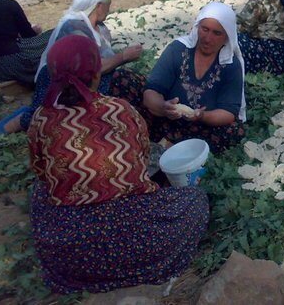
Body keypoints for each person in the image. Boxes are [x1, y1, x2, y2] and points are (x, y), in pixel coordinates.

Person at [28, 35, 209, 294]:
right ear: (95, 72)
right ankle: (144, 271)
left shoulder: (41, 119)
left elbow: (41, 172)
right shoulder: (120, 111)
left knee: (37, 194)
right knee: (194, 201)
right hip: (135, 238)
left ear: (52, 73)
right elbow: (141, 167)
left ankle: (84, 277)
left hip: (73, 249)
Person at [20, 0, 146, 131]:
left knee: (132, 81)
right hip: (65, 81)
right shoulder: (73, 28)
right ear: (99, 6)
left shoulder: (101, 29)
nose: (109, 9)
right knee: (43, 117)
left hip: (93, 78)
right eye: (108, 4)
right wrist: (123, 56)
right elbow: (87, 67)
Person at [144, 2, 246, 152]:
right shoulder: (178, 50)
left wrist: (202, 116)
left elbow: (228, 113)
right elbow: (151, 92)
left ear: (226, 38)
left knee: (234, 131)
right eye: (205, 29)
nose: (208, 38)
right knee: (128, 86)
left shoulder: (230, 66)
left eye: (217, 33)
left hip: (202, 128)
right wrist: (163, 107)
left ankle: (173, 146)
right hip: (166, 119)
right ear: (197, 27)